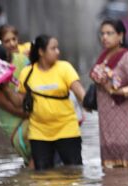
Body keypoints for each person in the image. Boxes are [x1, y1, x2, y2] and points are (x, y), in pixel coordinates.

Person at [13, 35, 87, 170]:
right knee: (42, 176)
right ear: (41, 52)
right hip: (39, 132)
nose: (58, 51)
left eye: (57, 48)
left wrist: (89, 101)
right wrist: (4, 86)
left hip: (67, 130)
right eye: (53, 48)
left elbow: (79, 91)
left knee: (74, 172)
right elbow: (19, 101)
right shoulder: (27, 72)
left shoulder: (64, 68)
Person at [90, 19, 128, 168]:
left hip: (123, 116)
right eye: (102, 34)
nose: (104, 37)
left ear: (121, 36)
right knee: (110, 170)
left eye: (109, 33)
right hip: (106, 119)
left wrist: (117, 91)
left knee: (127, 167)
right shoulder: (103, 57)